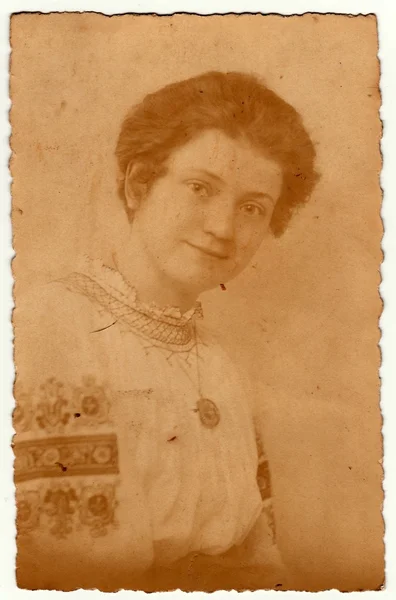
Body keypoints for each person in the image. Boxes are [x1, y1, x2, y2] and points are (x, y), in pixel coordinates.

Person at [13, 71, 318, 591]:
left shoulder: (218, 362)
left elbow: (260, 556)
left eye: (252, 208)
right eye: (200, 188)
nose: (223, 228)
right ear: (139, 184)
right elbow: (88, 568)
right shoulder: (50, 329)